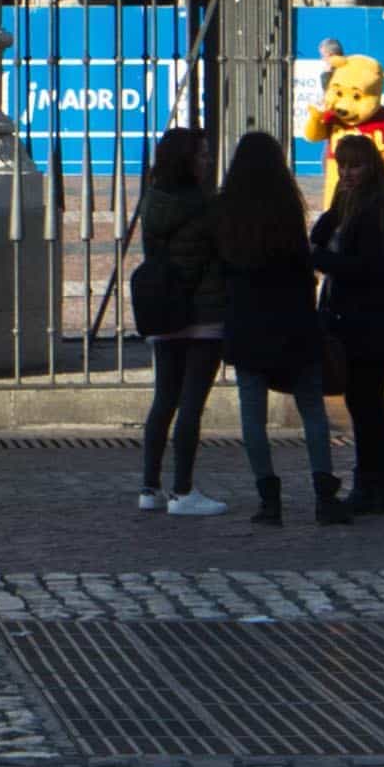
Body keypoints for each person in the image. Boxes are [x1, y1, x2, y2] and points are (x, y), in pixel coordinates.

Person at [202, 128, 328, 525]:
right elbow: (302, 263)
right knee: (311, 407)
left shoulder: (224, 208)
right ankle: (324, 492)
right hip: (292, 315)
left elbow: (219, 264)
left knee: (252, 414)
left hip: (246, 315)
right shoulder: (287, 205)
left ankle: (268, 496)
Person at [307, 126, 384, 527]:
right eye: (343, 165)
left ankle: (373, 486)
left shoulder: (380, 210)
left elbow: (368, 268)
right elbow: (319, 234)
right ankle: (368, 484)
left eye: (356, 166)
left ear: (373, 168)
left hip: (370, 318)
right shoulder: (348, 202)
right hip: (347, 317)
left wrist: (320, 261)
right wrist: (336, 207)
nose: (348, 173)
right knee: (359, 403)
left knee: (369, 404)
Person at [125, 123, 222, 517]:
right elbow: (208, 259)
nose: (207, 160)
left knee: (163, 399)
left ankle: (150, 487)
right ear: (186, 160)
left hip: (163, 310)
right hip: (202, 312)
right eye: (200, 154)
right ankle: (183, 490)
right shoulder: (203, 205)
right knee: (192, 404)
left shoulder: (154, 200)